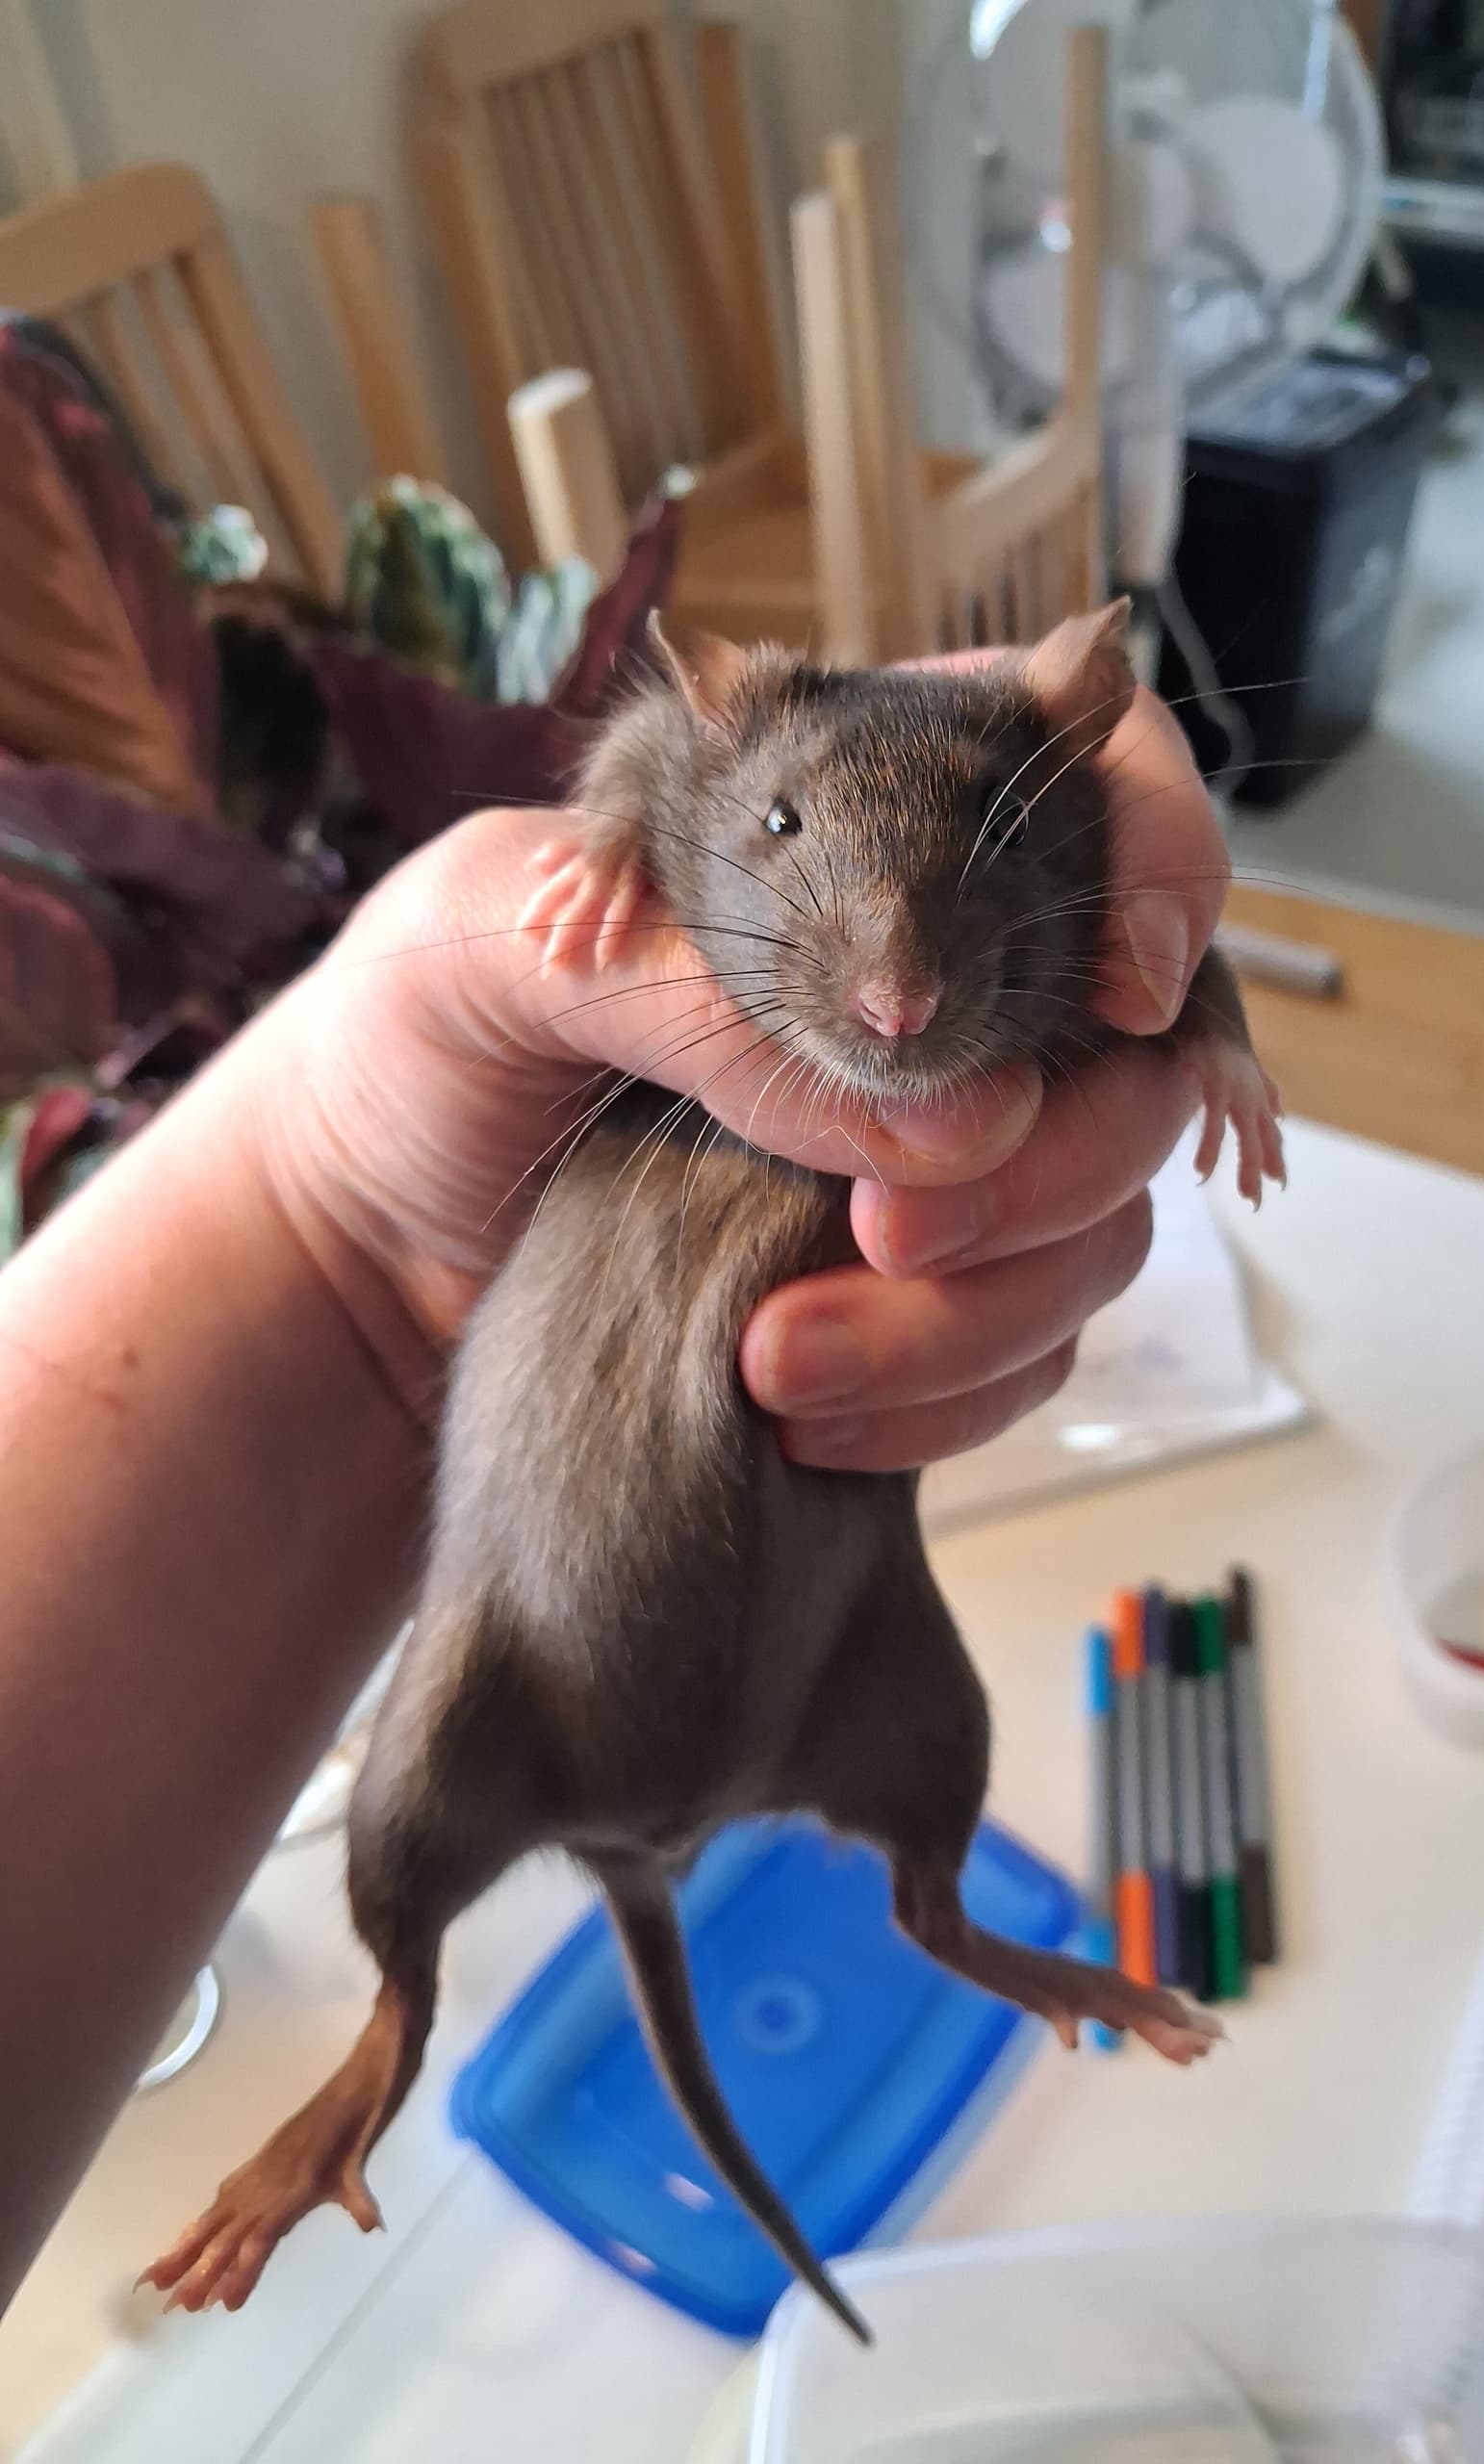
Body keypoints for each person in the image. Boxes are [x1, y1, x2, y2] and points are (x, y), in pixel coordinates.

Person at [0, 679, 1229, 2309]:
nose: (892, 994)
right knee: (428, 1771)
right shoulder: (689, 810)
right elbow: (657, 747)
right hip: (543, 1653)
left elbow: (1150, 956)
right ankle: (392, 2030)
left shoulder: (1024, 889)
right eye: (782, 826)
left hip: (820, 1647)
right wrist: (597, 842)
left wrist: (1208, 1023)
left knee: (916, 1697)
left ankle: (948, 1918)